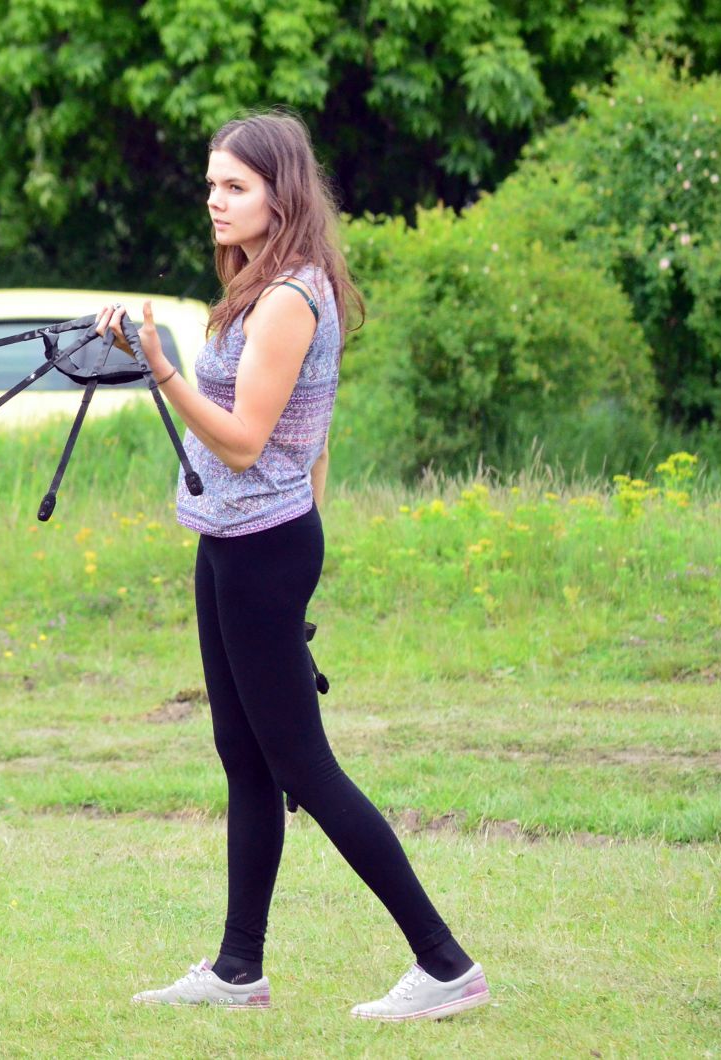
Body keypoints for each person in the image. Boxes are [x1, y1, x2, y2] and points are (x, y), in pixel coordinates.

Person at [99, 111, 490, 1022]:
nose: (216, 201)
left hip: (261, 551)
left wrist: (159, 369)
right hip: (238, 546)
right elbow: (314, 442)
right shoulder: (250, 285)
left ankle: (444, 965)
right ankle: (239, 969)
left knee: (303, 767)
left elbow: (242, 443)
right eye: (210, 185)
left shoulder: (285, 299)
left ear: (282, 193)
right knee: (243, 758)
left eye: (234, 186)